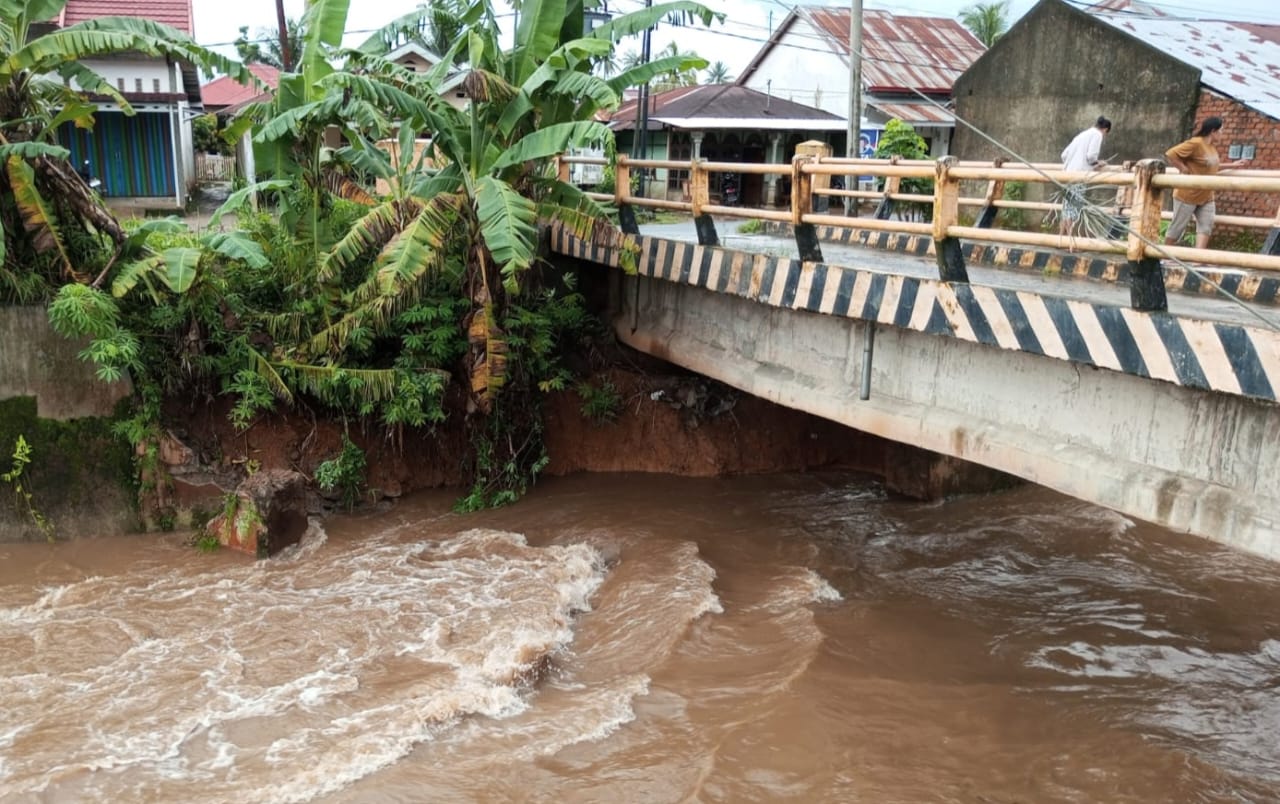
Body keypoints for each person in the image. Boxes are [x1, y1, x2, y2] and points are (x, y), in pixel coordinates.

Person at [1163, 116, 1246, 250]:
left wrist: (1233, 165)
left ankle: (1198, 258)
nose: (1222, 134)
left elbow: (1212, 166)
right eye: (1221, 131)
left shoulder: (1211, 147)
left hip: (1207, 196)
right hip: (1188, 194)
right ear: (1213, 131)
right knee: (1178, 227)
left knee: (1206, 226)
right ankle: (1165, 254)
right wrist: (1183, 168)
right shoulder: (1196, 143)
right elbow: (1171, 154)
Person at [1059, 116, 1112, 238]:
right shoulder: (1097, 135)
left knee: (1066, 207)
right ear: (1105, 129)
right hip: (1079, 175)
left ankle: (1060, 239)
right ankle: (1070, 241)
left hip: (1067, 174)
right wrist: (1098, 163)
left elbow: (1064, 155)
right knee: (1074, 208)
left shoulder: (1082, 135)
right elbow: (1091, 156)